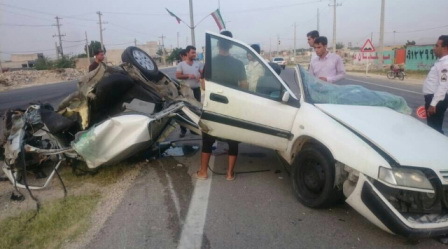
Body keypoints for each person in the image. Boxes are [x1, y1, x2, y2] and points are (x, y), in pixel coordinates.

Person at [195, 30, 245, 181]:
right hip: (232, 107)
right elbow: (244, 86)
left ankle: (203, 172)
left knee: (208, 138)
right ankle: (229, 174)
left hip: (214, 105)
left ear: (217, 44)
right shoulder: (238, 64)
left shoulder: (210, 63)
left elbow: (203, 86)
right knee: (233, 139)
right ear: (231, 45)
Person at [176, 45, 203, 137]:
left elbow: (202, 72)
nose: (194, 54)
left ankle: (194, 129)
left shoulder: (197, 63)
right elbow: (178, 76)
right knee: (184, 109)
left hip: (196, 90)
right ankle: (183, 130)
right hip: (185, 91)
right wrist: (188, 75)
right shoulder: (181, 65)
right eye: (192, 52)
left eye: (195, 52)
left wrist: (200, 76)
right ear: (187, 53)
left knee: (196, 109)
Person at [422, 35, 448, 134]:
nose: (434, 48)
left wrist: (433, 104)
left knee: (434, 130)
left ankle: (438, 148)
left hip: (436, 100)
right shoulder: (441, 62)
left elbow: (444, 85)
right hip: (434, 99)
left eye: (437, 46)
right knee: (433, 127)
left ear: (445, 48)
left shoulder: (445, 64)